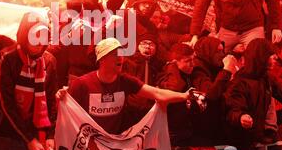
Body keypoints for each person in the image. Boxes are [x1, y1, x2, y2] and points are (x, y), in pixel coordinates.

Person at [58, 38, 201, 135]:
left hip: (114, 141)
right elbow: (65, 115)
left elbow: (157, 93)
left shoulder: (125, 81)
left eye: (121, 53)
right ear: (101, 59)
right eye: (114, 54)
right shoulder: (82, 84)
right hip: (88, 141)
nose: (120, 57)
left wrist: (185, 95)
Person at [0, 12, 58, 150]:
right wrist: (29, 139)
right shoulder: (5, 58)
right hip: (4, 136)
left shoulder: (49, 61)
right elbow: (4, 103)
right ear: (24, 35)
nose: (39, 42)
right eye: (35, 35)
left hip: (34, 138)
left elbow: (51, 101)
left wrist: (50, 136)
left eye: (44, 36)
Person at [224, 39, 282, 150]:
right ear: (261, 57)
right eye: (271, 56)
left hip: (260, 137)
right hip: (242, 143)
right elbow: (233, 109)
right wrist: (241, 117)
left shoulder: (266, 78)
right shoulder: (239, 82)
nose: (275, 58)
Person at [191, 36, 238, 144]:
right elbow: (210, 94)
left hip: (217, 123)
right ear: (208, 51)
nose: (222, 55)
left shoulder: (215, 66)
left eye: (222, 51)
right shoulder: (197, 68)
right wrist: (226, 70)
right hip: (203, 128)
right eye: (217, 51)